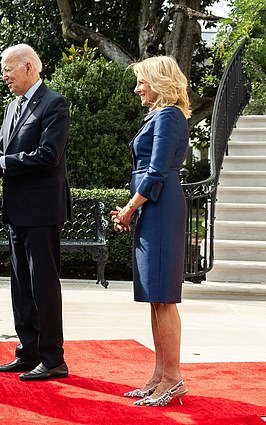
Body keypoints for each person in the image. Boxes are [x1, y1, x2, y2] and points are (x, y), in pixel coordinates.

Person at [0, 44, 71, 381]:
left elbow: (49, 154)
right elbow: (10, 151)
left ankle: (53, 358)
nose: (4, 75)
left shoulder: (54, 103)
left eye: (8, 68)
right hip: (16, 209)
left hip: (43, 210)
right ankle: (28, 351)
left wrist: (3, 163)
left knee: (43, 286)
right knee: (21, 286)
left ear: (30, 67)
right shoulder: (11, 107)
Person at [111, 56, 190, 407]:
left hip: (161, 207)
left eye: (142, 81)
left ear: (159, 82)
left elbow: (156, 171)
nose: (136, 88)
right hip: (153, 208)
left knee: (164, 297)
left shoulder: (169, 116)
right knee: (156, 297)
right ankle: (159, 374)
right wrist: (132, 210)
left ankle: (173, 378)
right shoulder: (159, 116)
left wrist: (130, 207)